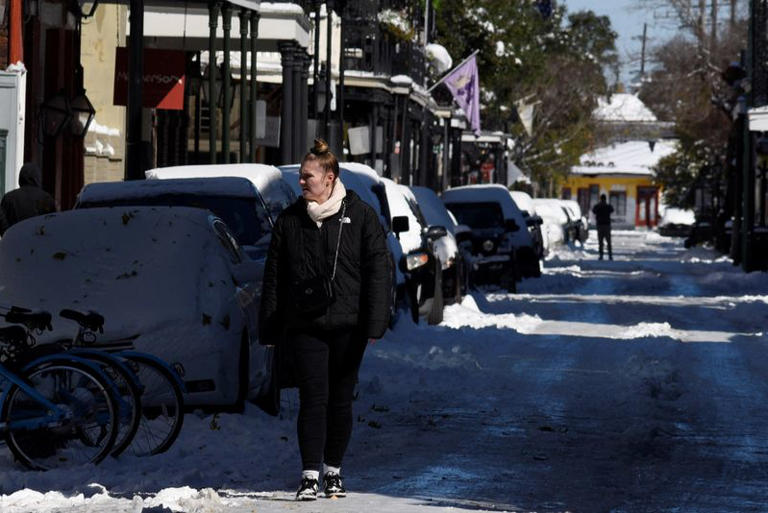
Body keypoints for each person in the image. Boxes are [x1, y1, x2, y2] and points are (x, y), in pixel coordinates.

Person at [259, 138, 392, 501]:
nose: (302, 183)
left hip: (349, 326)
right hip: (306, 326)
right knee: (312, 399)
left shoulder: (361, 216)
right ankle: (308, 475)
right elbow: (274, 276)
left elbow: (378, 271)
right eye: (301, 177)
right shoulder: (289, 221)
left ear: (330, 177)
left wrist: (375, 323)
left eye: (308, 177)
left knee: (340, 400)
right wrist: (270, 326)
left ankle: (333, 471)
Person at [0, 162, 56, 235]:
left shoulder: (9, 198)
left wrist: (8, 236)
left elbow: (2, 222)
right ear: (38, 177)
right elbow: (52, 224)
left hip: (14, 242)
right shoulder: (46, 198)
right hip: (37, 243)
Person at [592, 193, 614, 260]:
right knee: (608, 242)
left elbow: (593, 210)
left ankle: (601, 255)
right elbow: (612, 210)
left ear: (600, 199)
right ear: (605, 199)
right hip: (607, 225)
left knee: (600, 242)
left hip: (600, 225)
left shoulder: (598, 206)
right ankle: (610, 256)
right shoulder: (608, 206)